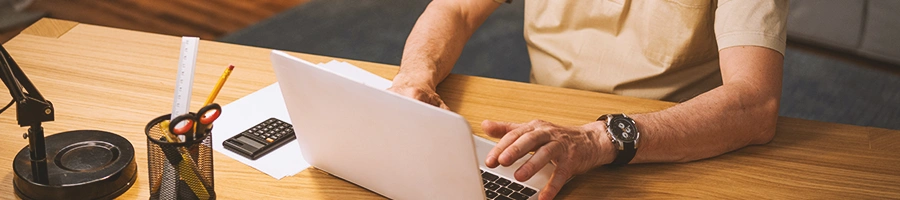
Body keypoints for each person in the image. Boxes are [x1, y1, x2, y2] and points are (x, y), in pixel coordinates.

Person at [387, 0, 787, 199]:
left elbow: (755, 102)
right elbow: (456, 8)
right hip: (544, 137)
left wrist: (599, 139)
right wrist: (415, 76)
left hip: (668, 150)